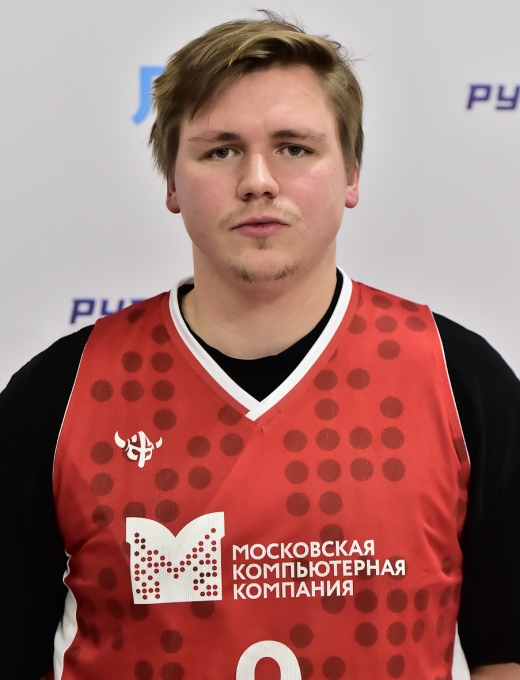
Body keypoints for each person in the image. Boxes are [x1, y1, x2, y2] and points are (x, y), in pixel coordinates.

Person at [1, 13, 520, 680]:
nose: (257, 180)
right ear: (171, 183)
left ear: (351, 174)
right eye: (220, 150)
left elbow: (507, 650)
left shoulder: (459, 381)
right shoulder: (59, 396)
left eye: (293, 148)